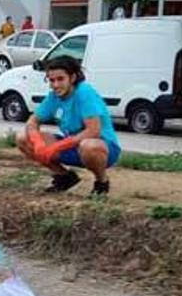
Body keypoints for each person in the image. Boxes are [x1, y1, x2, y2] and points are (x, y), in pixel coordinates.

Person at [15, 56, 121, 196]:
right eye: (52, 80)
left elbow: (93, 131)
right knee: (23, 138)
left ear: (72, 78)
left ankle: (101, 182)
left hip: (102, 148)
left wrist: (56, 147)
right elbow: (32, 121)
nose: (56, 85)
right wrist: (38, 142)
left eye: (60, 79)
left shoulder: (84, 92)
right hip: (73, 146)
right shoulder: (54, 96)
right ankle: (65, 177)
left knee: (88, 145)